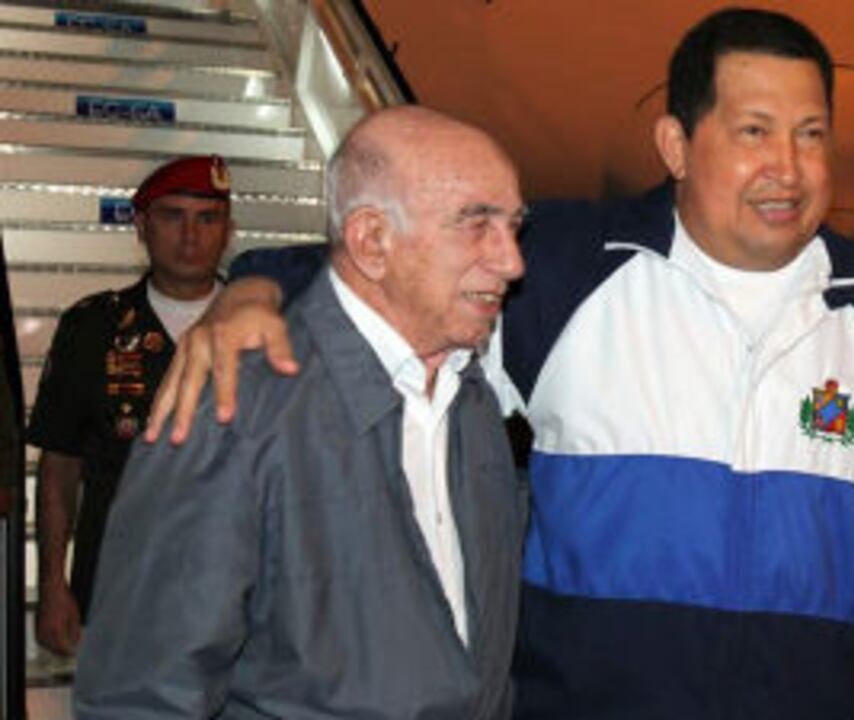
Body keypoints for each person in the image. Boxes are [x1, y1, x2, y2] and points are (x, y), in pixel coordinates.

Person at [148, 9, 854, 719]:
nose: (787, 167)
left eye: (811, 133)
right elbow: (392, 276)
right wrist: (252, 288)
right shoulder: (563, 273)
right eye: (753, 131)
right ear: (676, 145)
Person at [74, 107, 527, 718]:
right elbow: (142, 694)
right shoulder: (235, 404)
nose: (511, 262)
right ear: (371, 240)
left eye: (514, 227)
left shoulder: (473, 403)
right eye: (477, 226)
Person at [27, 154, 233, 657]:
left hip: (242, 588)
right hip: (123, 586)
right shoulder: (93, 327)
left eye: (207, 219)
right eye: (172, 216)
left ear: (228, 230)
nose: (191, 236)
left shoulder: (266, 325)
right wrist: (53, 585)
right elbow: (59, 466)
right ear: (140, 226)